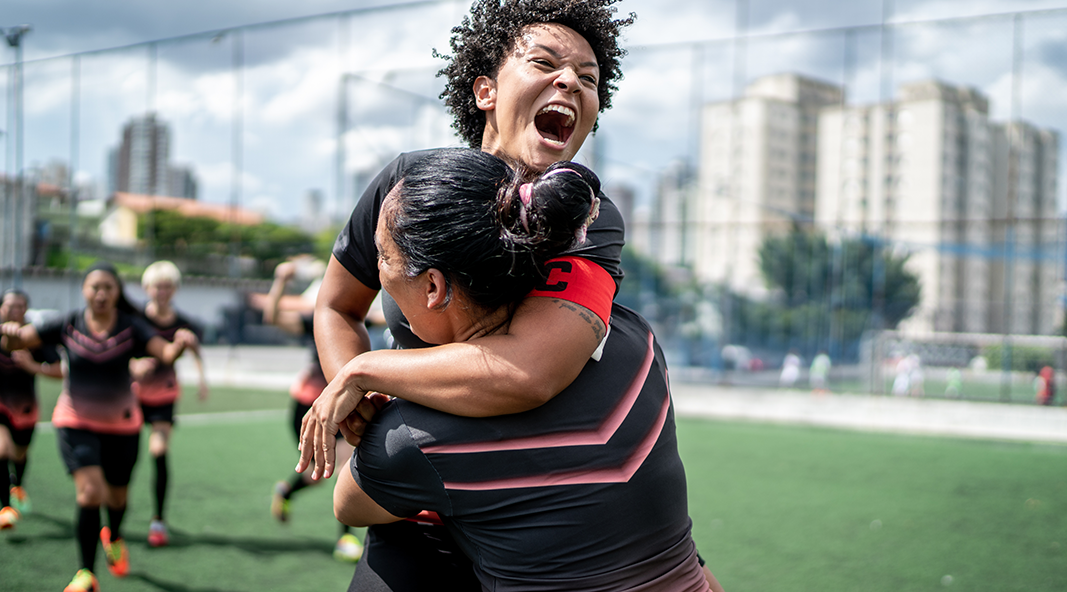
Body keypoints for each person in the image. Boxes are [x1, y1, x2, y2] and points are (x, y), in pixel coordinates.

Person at [312, 1, 634, 587]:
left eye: (589, 79)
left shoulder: (586, 220)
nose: (570, 82)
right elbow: (336, 305)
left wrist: (366, 371)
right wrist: (354, 401)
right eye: (544, 63)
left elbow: (528, 372)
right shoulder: (405, 186)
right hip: (411, 514)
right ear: (485, 90)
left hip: (528, 521)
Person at [302, 150, 723, 591]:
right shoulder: (635, 340)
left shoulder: (412, 440)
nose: (379, 275)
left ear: (433, 287)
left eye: (383, 259)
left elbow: (349, 505)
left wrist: (366, 378)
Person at [1, 262, 195, 592]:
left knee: (116, 499)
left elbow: (164, 352)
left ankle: (114, 536)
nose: (101, 293)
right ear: (84, 291)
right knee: (90, 492)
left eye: (108, 287)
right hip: (76, 421)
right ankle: (85, 573)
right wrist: (9, 336)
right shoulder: (66, 323)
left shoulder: (131, 327)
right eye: (95, 287)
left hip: (122, 426)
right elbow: (17, 343)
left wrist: (178, 346)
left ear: (117, 292)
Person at [259, 258, 362, 563]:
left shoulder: (363, 319)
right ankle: (287, 492)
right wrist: (281, 280)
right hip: (308, 406)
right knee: (320, 473)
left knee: (346, 468)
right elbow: (272, 316)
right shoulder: (316, 320)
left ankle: (345, 537)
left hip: (344, 405)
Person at [130, 260, 208, 547]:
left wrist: (202, 379)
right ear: (146, 288)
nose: (161, 291)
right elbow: (119, 351)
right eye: (156, 286)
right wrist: (134, 365)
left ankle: (158, 520)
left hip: (163, 396)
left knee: (159, 452)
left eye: (167, 286)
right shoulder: (134, 319)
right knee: (125, 459)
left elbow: (194, 350)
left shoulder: (182, 323)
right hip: (131, 397)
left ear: (174, 289)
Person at [0, 289, 63, 530]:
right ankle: (5, 508)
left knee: (19, 454)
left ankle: (18, 484)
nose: (15, 310)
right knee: (2, 451)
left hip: (25, 407)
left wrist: (32, 366)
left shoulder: (35, 336)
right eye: (10, 305)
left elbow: (59, 370)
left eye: (20, 306)